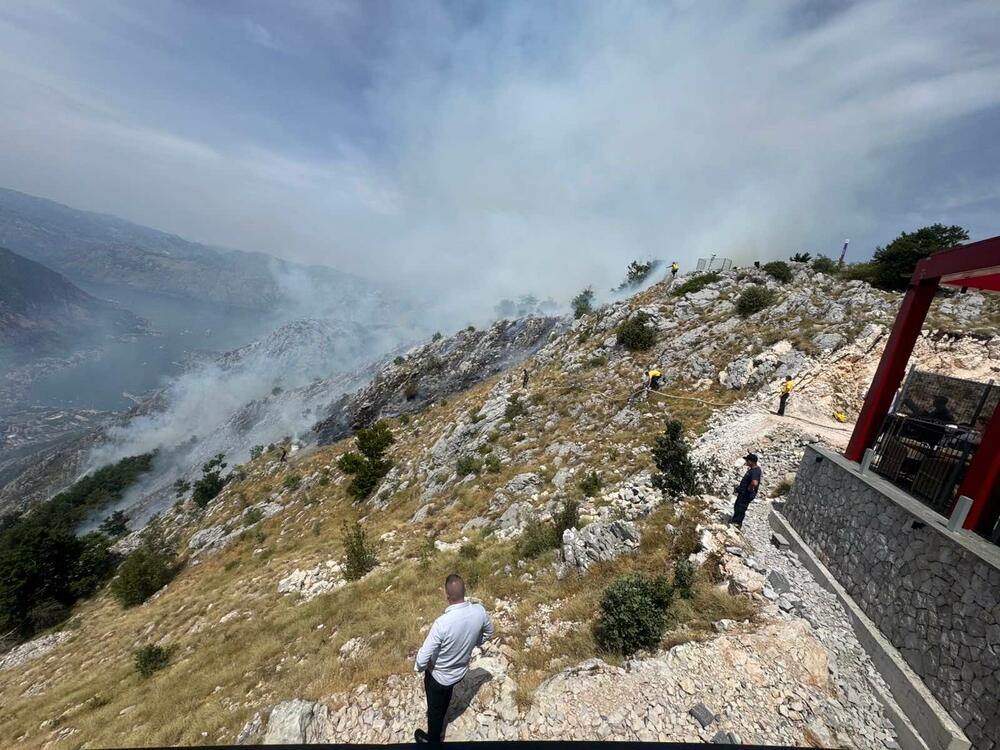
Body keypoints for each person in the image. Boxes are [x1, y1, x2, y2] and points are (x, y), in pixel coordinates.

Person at [414, 575, 494, 743]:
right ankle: (443, 713)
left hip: (438, 677)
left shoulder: (442, 624)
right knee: (446, 696)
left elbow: (421, 661)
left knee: (434, 712)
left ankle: (433, 740)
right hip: (459, 672)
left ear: (447, 596)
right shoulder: (479, 611)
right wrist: (474, 643)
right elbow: (489, 632)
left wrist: (423, 666)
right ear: (464, 592)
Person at [731, 453, 762, 529]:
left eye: (747, 460)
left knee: (740, 508)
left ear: (751, 461)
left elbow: (755, 483)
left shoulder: (755, 471)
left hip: (746, 494)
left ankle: (736, 524)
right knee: (737, 506)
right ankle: (735, 522)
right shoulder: (753, 470)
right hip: (743, 493)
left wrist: (749, 488)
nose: (746, 462)